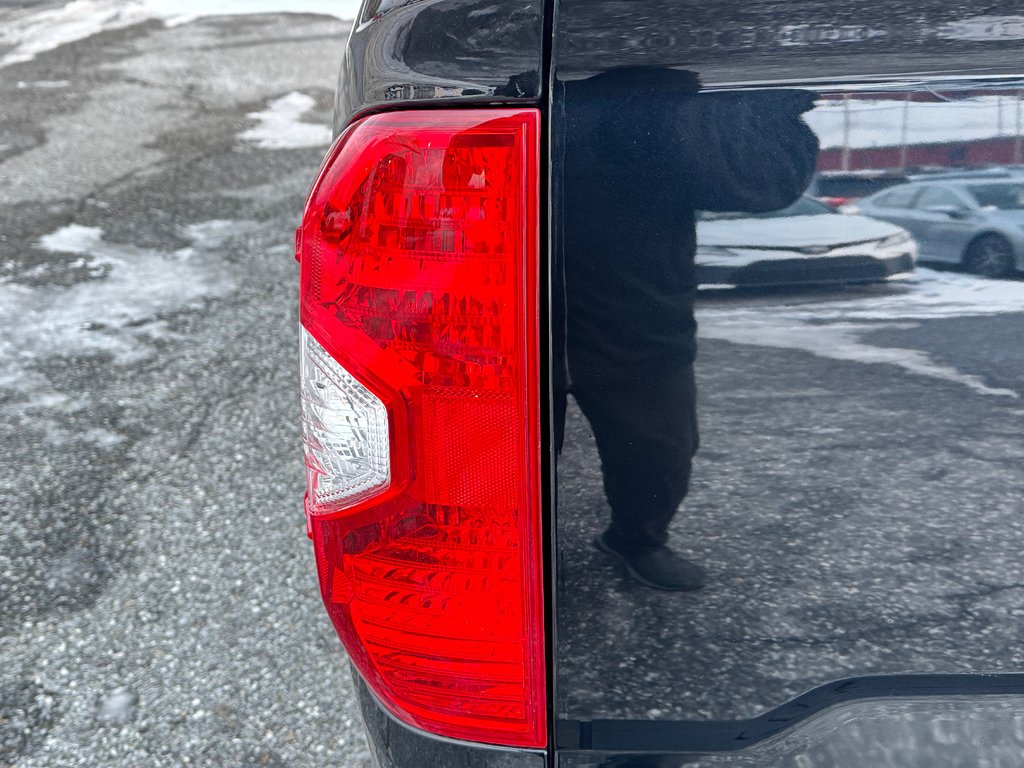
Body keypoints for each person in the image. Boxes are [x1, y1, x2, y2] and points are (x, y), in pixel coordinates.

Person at [557, 68, 819, 591]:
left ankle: (637, 540)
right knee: (496, 461)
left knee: (661, 452)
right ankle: (510, 555)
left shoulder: (669, 96)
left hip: (638, 316)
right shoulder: (496, 78)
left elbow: (764, 179)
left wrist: (773, 98)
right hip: (501, 314)